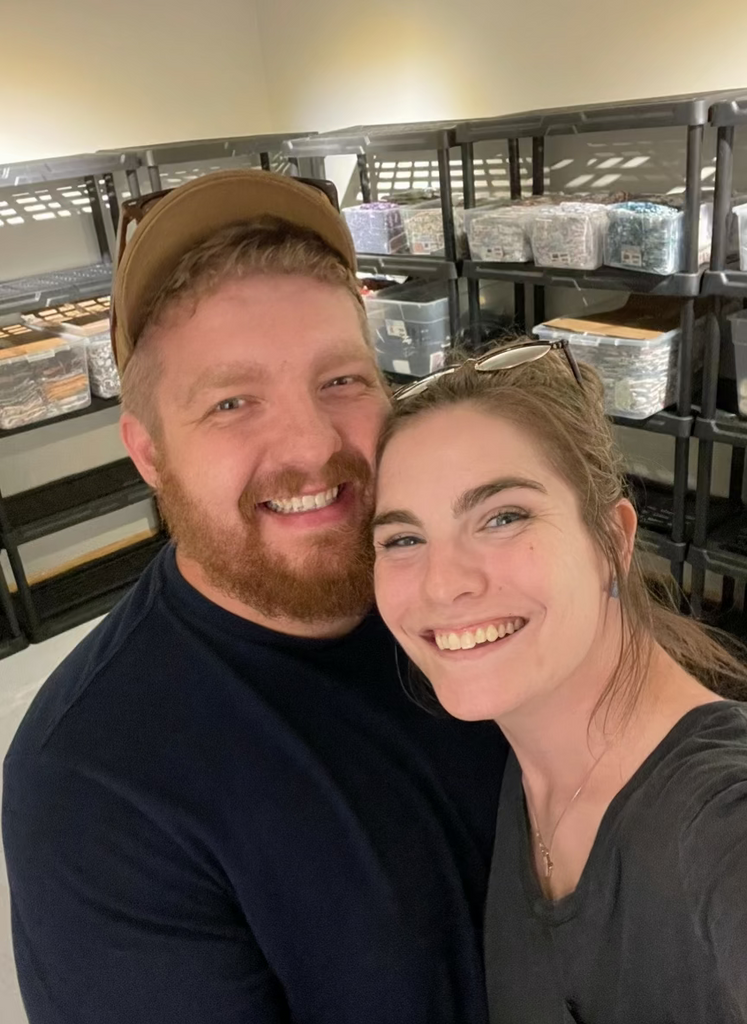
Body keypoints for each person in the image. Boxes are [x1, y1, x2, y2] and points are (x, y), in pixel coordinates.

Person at [2, 169, 507, 1024]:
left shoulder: (464, 594)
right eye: (232, 401)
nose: (311, 447)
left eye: (341, 381)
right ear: (149, 452)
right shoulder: (94, 787)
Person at [372, 341, 747, 1024]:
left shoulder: (715, 818)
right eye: (401, 539)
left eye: (502, 516)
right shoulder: (523, 760)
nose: (443, 581)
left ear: (614, 541)